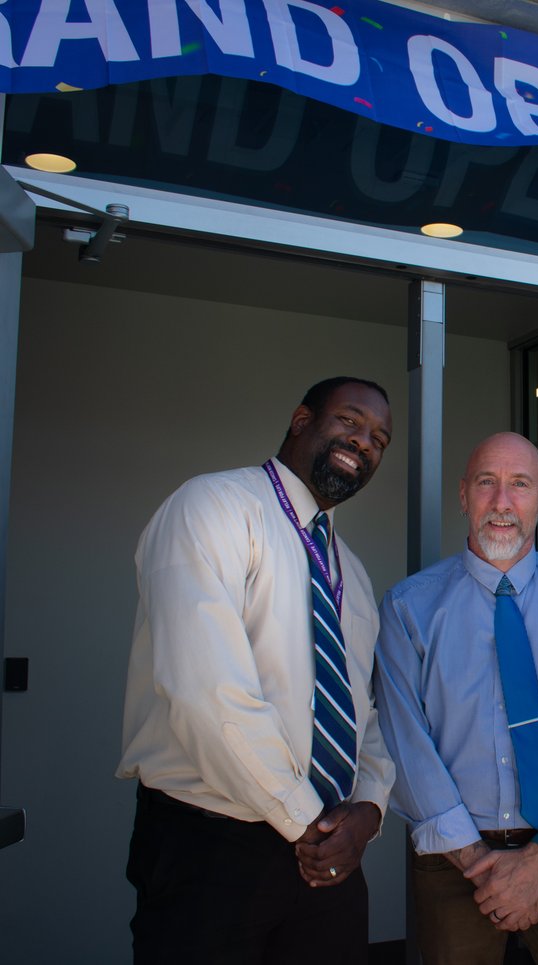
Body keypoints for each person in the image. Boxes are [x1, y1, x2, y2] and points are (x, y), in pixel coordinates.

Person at [116, 377, 397, 964]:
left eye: (379, 438)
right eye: (349, 421)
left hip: (329, 853)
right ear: (300, 420)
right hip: (212, 849)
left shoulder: (355, 575)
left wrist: (368, 810)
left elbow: (360, 710)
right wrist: (307, 821)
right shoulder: (212, 507)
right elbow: (205, 692)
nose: (363, 441)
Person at [374, 431, 538, 965]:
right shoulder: (408, 607)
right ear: (464, 495)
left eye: (520, 485)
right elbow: (406, 746)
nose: (503, 502)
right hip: (453, 859)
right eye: (487, 483)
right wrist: (481, 863)